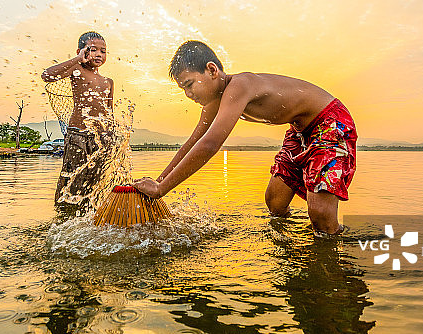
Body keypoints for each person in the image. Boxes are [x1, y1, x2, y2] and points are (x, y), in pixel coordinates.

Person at [133, 40, 356, 235]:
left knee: (320, 215)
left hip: (329, 122)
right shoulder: (214, 103)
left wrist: (162, 190)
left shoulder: (239, 86)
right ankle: (293, 246)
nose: (188, 94)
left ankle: (338, 241)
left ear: (212, 70)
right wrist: (158, 182)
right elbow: (193, 143)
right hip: (299, 132)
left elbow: (210, 144)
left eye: (189, 84)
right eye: (183, 89)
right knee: (275, 202)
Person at [41, 31, 113, 205]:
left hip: (100, 139)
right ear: (81, 51)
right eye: (93, 50)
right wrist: (78, 59)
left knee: (95, 181)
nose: (99, 54)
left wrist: (111, 135)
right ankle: (63, 212)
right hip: (78, 135)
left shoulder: (108, 82)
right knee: (71, 179)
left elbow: (109, 112)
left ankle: (89, 213)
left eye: (103, 51)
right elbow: (47, 76)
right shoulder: (77, 70)